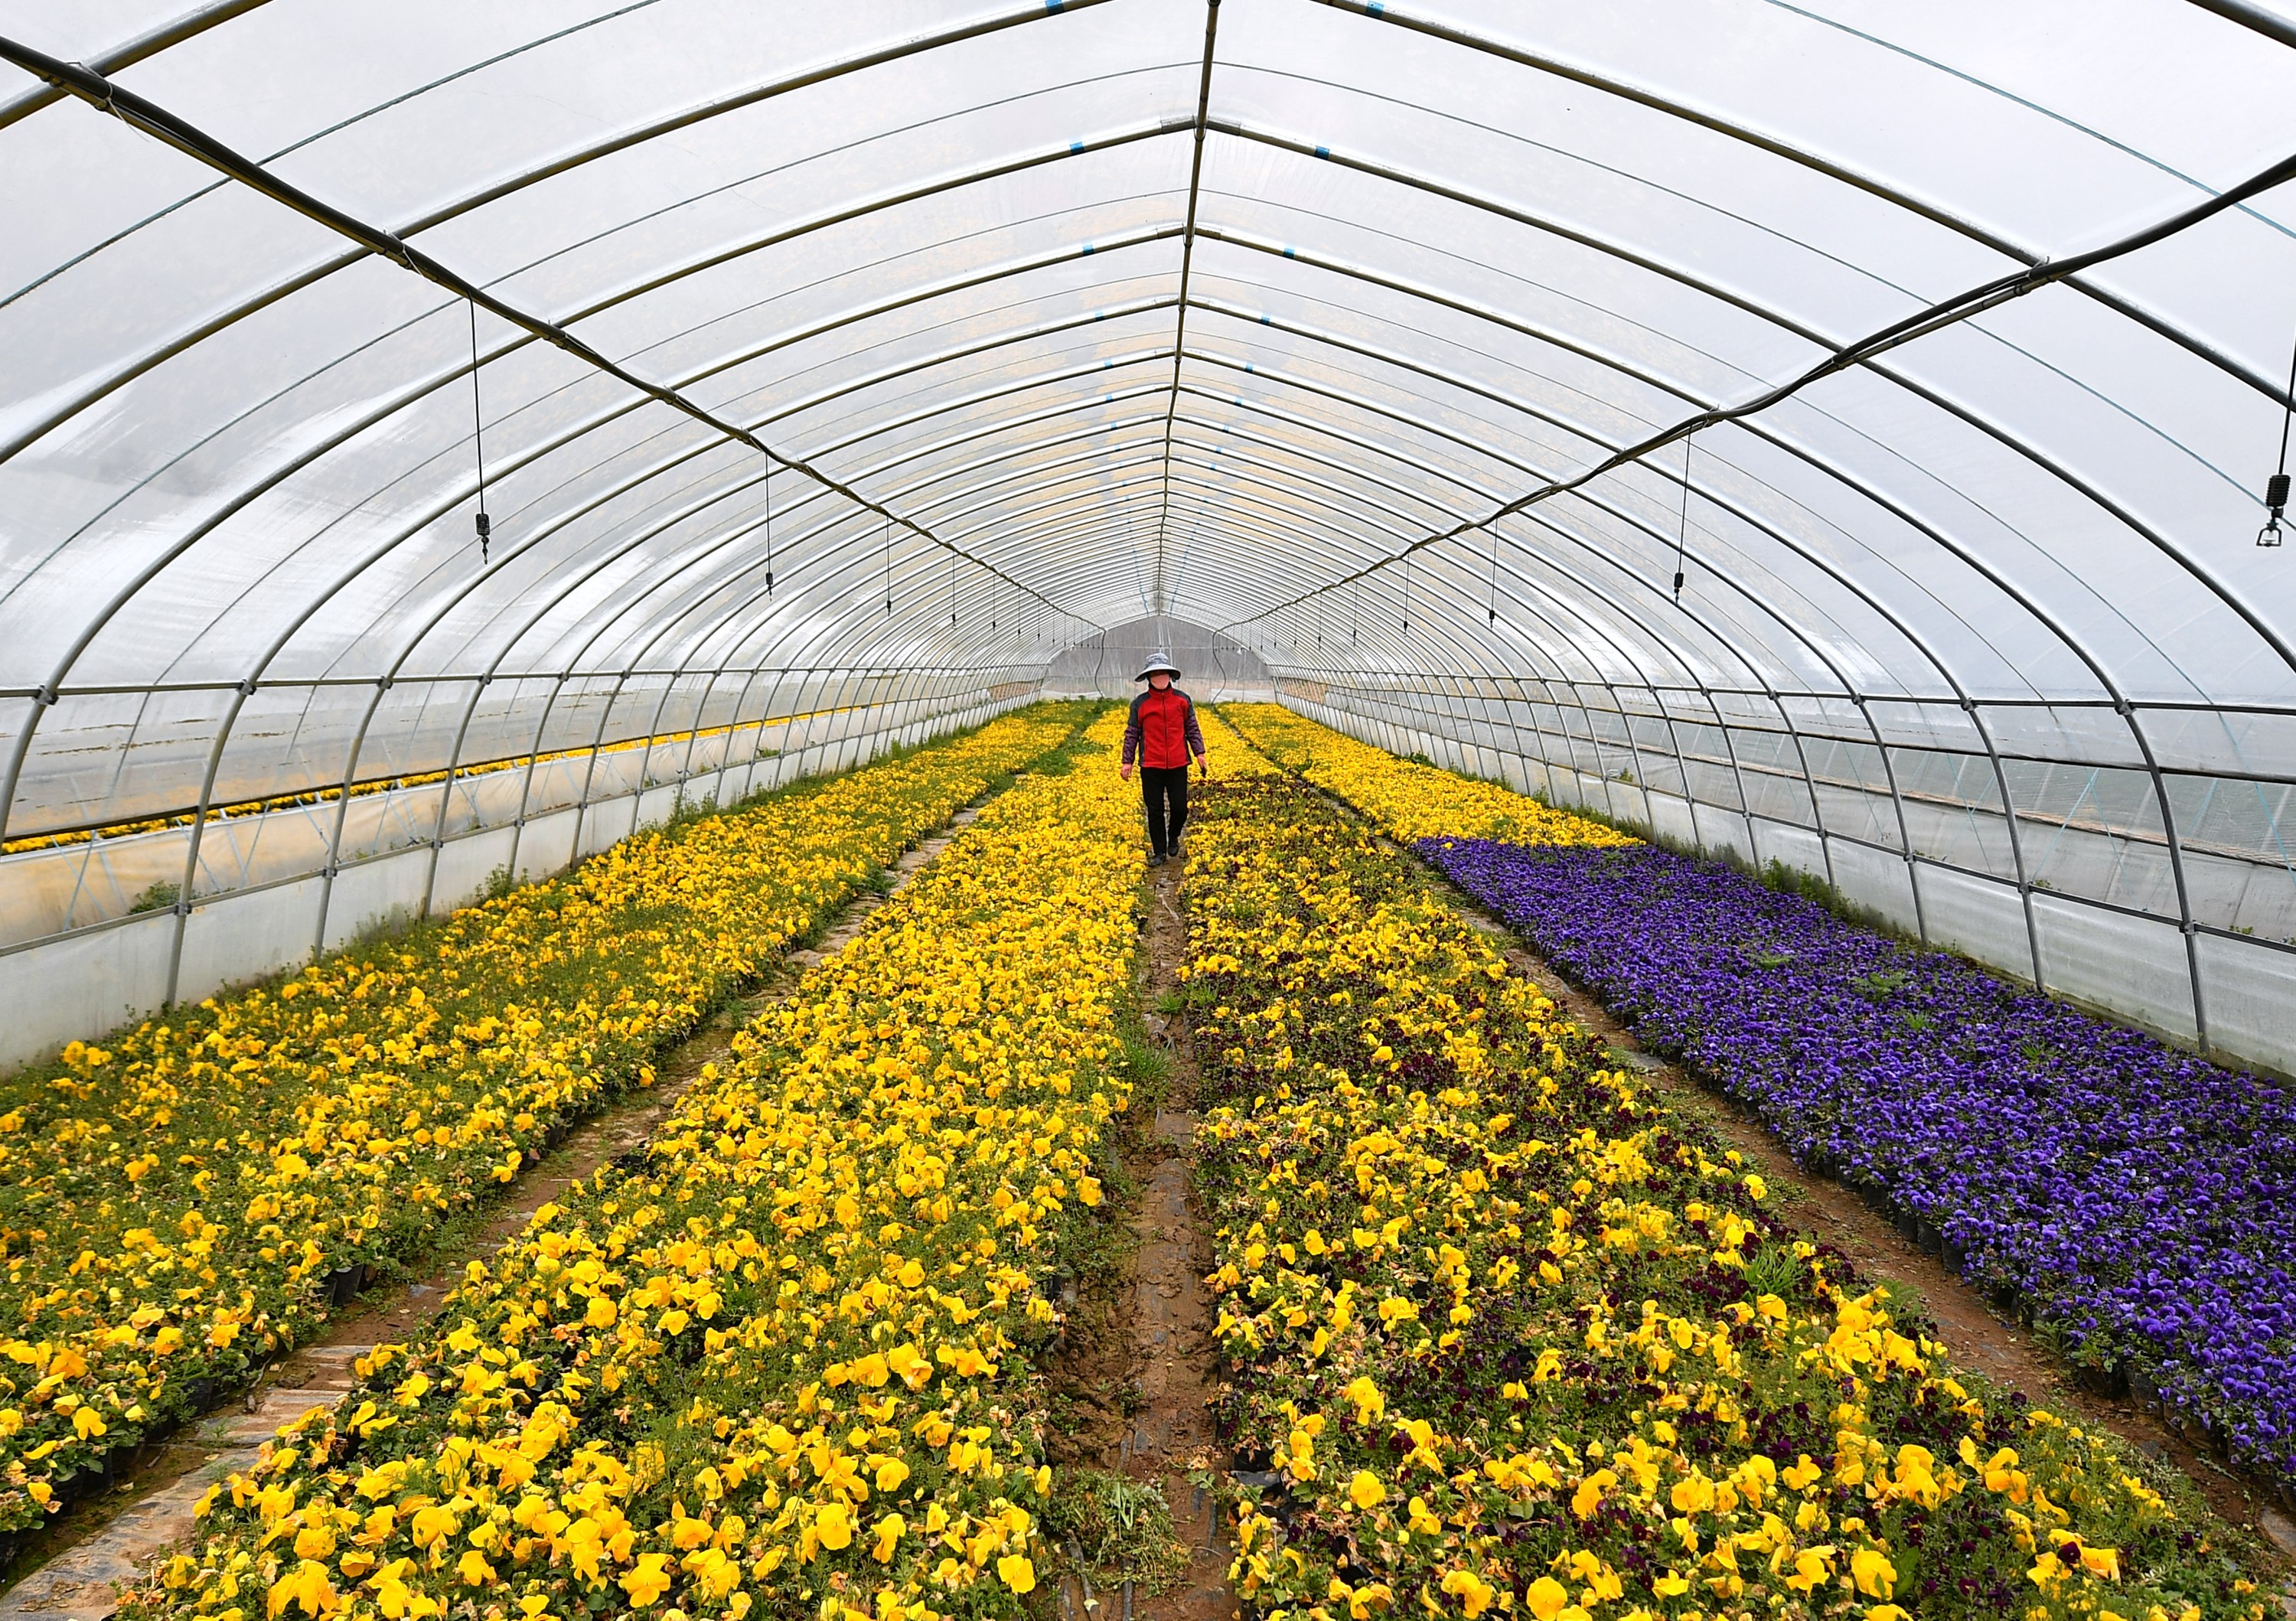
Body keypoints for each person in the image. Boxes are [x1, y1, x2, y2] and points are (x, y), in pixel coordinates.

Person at [1119, 654, 1207, 866]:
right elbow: (1132, 734)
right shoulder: (1140, 704)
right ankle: (1159, 852)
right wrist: (1127, 761)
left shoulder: (1182, 700)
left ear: (1170, 675)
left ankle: (1174, 835)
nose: (1160, 677)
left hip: (1178, 763)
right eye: (1155, 673)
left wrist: (1200, 753)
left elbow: (1192, 728)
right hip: (1151, 765)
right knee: (1155, 810)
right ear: (1149, 677)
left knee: (1180, 808)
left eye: (1163, 673)